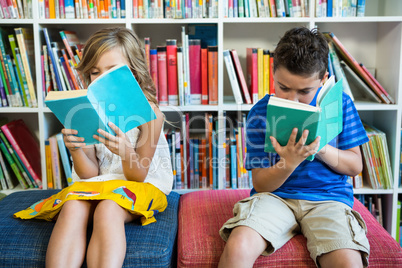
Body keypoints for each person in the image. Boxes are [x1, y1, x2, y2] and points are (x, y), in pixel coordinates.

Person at [14, 27, 174, 268]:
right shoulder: (87, 110)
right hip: (99, 183)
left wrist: (125, 151)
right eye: (94, 73)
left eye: (112, 71)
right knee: (72, 208)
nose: (100, 80)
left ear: (134, 72)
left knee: (108, 209)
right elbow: (89, 174)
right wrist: (76, 149)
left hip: (141, 184)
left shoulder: (150, 115)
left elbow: (138, 176)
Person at [218, 27, 370, 268]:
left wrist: (319, 149)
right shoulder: (260, 113)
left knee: (348, 261)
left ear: (323, 79)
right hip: (275, 198)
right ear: (273, 74)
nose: (292, 100)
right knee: (238, 248)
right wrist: (288, 162)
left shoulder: (341, 104)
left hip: (328, 200)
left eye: (304, 91)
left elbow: (355, 166)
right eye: (284, 88)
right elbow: (260, 184)